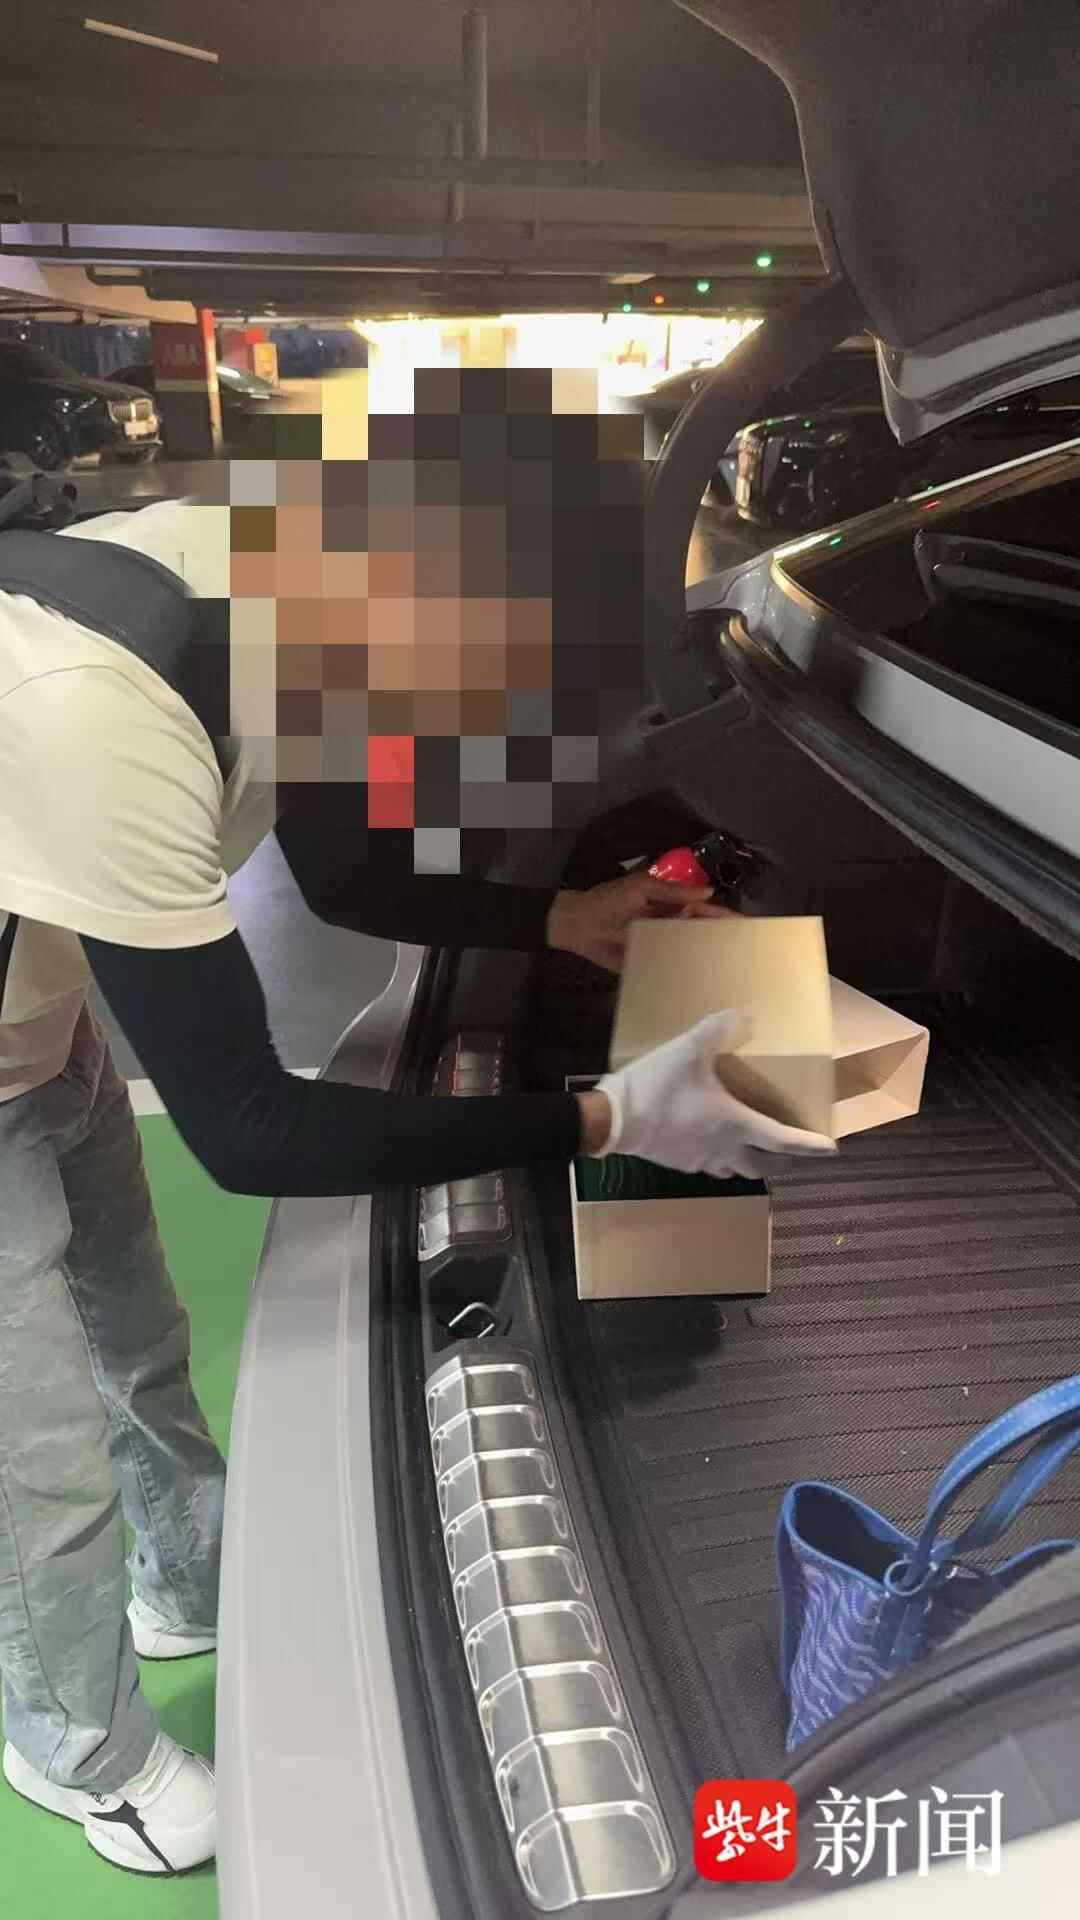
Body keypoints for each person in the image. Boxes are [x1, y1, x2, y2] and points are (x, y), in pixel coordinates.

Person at [0, 411, 835, 1874]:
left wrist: (561, 918)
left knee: (137, 1330)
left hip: (36, 1004)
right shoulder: (104, 711)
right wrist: (601, 1117)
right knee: (39, 1446)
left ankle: (186, 1580)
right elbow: (251, 1131)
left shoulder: (281, 606)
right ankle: (77, 1747)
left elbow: (343, 875)